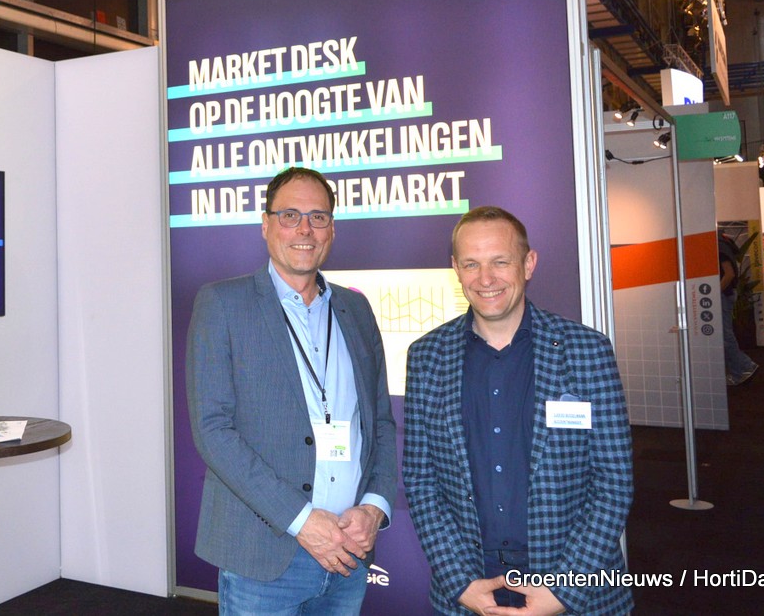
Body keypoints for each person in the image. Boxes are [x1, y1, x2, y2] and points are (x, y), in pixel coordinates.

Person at [186, 166, 398, 614]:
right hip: (265, 556)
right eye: (289, 216)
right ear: (266, 225)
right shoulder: (223, 304)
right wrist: (302, 521)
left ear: (332, 229)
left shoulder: (356, 308)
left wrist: (374, 507)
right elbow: (213, 431)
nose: (305, 229)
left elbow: (379, 422)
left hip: (349, 551)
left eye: (318, 217)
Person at [403, 206, 632, 615]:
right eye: (471, 264)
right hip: (470, 591)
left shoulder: (588, 351)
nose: (485, 278)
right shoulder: (426, 357)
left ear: (528, 264)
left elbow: (613, 483)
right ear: (456, 268)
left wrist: (563, 591)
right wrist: (460, 583)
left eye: (500, 262)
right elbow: (421, 482)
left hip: (574, 592)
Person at [718, 232, 759, 386]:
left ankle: (742, 369)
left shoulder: (719, 247)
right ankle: (741, 368)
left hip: (724, 295)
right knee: (725, 334)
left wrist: (714, 294)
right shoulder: (725, 244)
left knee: (725, 335)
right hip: (727, 294)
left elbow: (728, 274)